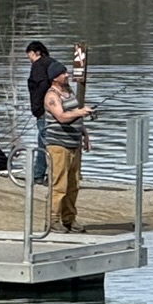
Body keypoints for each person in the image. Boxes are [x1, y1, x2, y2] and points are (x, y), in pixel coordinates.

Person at [42, 65, 95, 233]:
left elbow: (74, 113)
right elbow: (62, 117)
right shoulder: (52, 96)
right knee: (59, 185)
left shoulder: (69, 92)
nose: (67, 75)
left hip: (74, 144)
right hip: (58, 146)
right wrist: (80, 112)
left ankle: (69, 218)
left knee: (73, 184)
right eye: (63, 73)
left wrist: (84, 133)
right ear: (55, 78)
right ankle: (53, 220)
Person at [24, 41, 59, 184]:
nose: (30, 59)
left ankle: (39, 174)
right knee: (52, 140)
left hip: (44, 110)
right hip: (57, 109)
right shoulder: (53, 64)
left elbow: (40, 86)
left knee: (43, 141)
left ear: (36, 52)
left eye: (30, 56)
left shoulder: (38, 66)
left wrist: (37, 108)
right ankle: (53, 173)